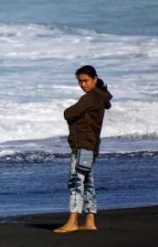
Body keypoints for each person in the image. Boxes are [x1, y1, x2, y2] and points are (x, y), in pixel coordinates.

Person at [54, 65, 112, 233]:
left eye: (86, 80)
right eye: (80, 81)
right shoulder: (99, 98)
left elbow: (69, 113)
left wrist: (70, 112)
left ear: (95, 79)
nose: (83, 84)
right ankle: (90, 221)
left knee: (76, 183)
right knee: (87, 182)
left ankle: (72, 221)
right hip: (91, 147)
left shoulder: (90, 98)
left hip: (83, 148)